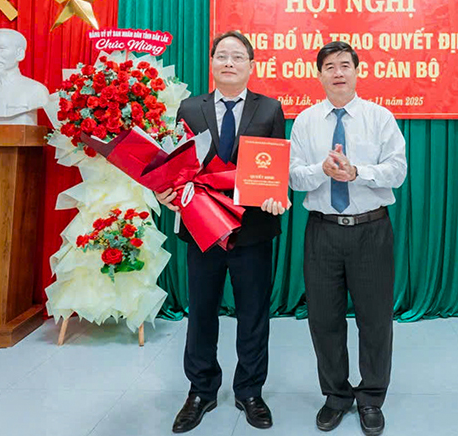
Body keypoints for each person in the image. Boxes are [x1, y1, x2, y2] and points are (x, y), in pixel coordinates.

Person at [157, 31, 287, 433]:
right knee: (201, 312)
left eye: (237, 57)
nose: (229, 63)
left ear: (251, 65)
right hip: (203, 228)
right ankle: (201, 391)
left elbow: (274, 168)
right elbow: (177, 165)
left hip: (253, 229)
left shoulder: (270, 109)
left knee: (253, 314)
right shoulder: (188, 108)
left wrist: (276, 195)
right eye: (222, 56)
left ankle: (250, 391)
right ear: (211, 63)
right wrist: (165, 191)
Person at [289, 41, 407, 436]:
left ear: (357, 71)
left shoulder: (380, 117)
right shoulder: (305, 121)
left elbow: (398, 171)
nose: (338, 72)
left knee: (375, 320)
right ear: (319, 74)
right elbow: (293, 177)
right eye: (329, 66)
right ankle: (336, 396)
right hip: (322, 231)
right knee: (324, 319)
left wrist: (358, 172)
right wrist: (321, 170)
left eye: (344, 65)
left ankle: (371, 397)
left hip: (371, 230)